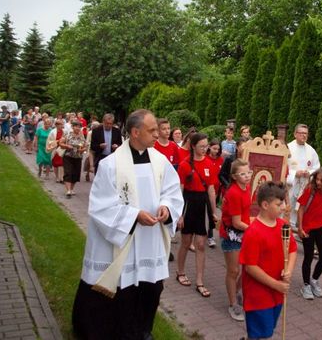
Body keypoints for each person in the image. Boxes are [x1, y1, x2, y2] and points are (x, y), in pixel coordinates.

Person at [72, 109, 183, 340]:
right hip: (123, 239)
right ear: (135, 132)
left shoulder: (161, 162)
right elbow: (101, 206)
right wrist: (134, 216)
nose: (158, 135)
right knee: (122, 288)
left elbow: (172, 193)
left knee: (149, 287)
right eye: (152, 130)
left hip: (149, 240)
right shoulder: (111, 165)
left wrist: (166, 207)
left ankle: (142, 330)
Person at [239, 181, 297, 340]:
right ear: (265, 204)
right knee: (261, 333)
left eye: (283, 203)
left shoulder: (283, 225)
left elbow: (292, 250)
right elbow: (250, 267)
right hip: (258, 294)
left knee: (268, 330)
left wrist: (289, 270)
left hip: (277, 292)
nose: (284, 207)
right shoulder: (253, 232)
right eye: (279, 204)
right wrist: (276, 284)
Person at [176, 133, 218, 298]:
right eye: (201, 146)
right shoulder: (185, 164)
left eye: (206, 145)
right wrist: (179, 214)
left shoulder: (209, 163)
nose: (205, 149)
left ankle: (199, 281)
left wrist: (213, 212)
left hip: (203, 204)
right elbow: (179, 189)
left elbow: (211, 190)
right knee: (186, 242)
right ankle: (180, 272)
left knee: (200, 244)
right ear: (193, 146)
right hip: (188, 203)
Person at [297, 166, 322, 300]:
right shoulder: (310, 190)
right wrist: (300, 228)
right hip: (307, 228)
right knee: (308, 257)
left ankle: (314, 280)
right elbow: (301, 209)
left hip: (320, 227)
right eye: (318, 179)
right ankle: (306, 285)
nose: (318, 182)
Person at [220, 158, 252, 321]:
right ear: (234, 176)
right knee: (233, 270)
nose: (247, 176)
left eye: (249, 172)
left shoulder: (246, 188)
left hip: (244, 233)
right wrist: (254, 229)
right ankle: (233, 304)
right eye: (243, 174)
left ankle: (238, 293)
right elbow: (236, 222)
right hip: (231, 234)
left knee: (246, 268)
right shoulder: (233, 193)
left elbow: (246, 214)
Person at [286, 124, 320, 228]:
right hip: (290, 183)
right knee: (288, 205)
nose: (304, 136)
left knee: (300, 205)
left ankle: (295, 226)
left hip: (304, 183)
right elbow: (282, 165)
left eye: (306, 133)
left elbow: (317, 166)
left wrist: (309, 173)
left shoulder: (311, 150)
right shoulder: (288, 148)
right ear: (295, 134)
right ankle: (284, 225)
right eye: (301, 133)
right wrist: (294, 173)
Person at [60, 120, 86, 197]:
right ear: (72, 127)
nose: (78, 128)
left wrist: (82, 150)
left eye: (79, 127)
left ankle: (71, 189)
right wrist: (67, 146)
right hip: (68, 156)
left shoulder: (82, 136)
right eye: (76, 126)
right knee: (68, 172)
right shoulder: (67, 134)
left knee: (76, 174)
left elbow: (85, 146)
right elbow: (60, 143)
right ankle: (68, 190)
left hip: (78, 157)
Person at [206, 138, 224, 248]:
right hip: (207, 190)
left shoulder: (221, 160)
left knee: (214, 211)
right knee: (210, 212)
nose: (216, 151)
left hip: (218, 190)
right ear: (209, 147)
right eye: (214, 148)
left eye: (218, 149)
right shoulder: (206, 159)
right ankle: (210, 236)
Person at [46, 119, 65, 183]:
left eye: (62, 124)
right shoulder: (52, 132)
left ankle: (61, 177)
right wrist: (56, 142)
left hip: (62, 149)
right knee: (55, 164)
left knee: (61, 164)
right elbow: (49, 141)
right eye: (60, 124)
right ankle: (57, 177)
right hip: (55, 149)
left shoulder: (64, 131)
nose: (61, 125)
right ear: (56, 125)